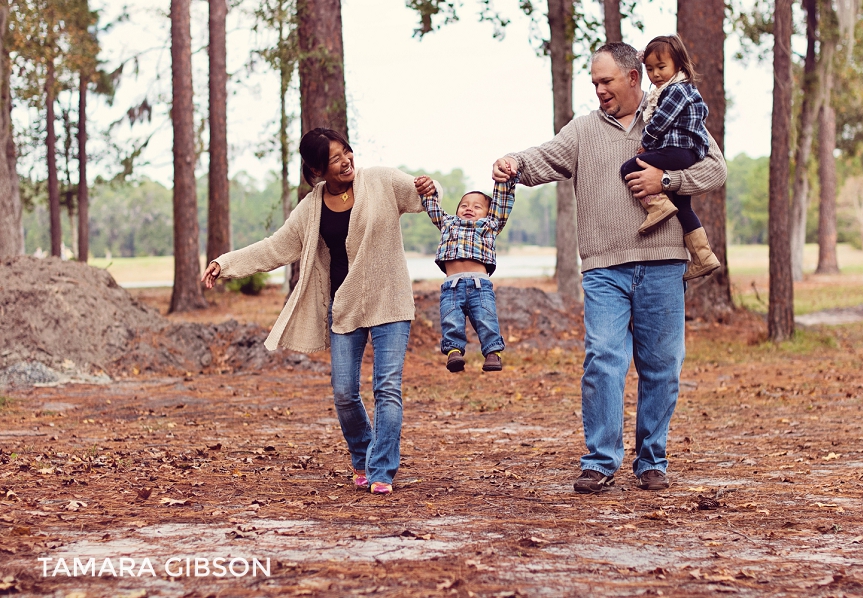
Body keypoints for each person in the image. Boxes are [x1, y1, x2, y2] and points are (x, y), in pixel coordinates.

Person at [491, 42, 726, 493]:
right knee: (603, 360)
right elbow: (543, 157)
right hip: (604, 269)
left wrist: (668, 181)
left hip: (662, 263)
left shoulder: (670, 112)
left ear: (634, 77)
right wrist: (515, 163)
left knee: (662, 366)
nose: (599, 90)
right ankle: (600, 460)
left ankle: (652, 459)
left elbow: (716, 169)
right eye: (594, 83)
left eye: (606, 81)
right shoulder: (582, 130)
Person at [201, 127, 440, 496]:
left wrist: (430, 187)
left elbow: (423, 194)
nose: (346, 161)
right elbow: (274, 247)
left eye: (347, 152)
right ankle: (362, 457)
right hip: (344, 308)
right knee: (344, 392)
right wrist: (224, 264)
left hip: (389, 300)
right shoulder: (311, 207)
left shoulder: (381, 181)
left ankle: (381, 472)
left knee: (387, 388)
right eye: (334, 158)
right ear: (317, 170)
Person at [619, 34, 721, 280]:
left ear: (678, 64)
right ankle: (704, 257)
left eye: (661, 67)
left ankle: (657, 205)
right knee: (684, 207)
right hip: (684, 152)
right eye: (650, 69)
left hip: (679, 151)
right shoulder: (677, 89)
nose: (655, 75)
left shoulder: (676, 91)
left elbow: (660, 123)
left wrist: (647, 143)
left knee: (629, 167)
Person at [419, 177, 517, 373]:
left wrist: (505, 181)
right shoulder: (448, 223)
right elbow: (432, 207)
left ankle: (493, 353)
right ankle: (454, 352)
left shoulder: (489, 225)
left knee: (486, 318)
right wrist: (426, 190)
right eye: (463, 205)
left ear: (488, 213)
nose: (469, 208)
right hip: (451, 287)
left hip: (480, 286)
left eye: (477, 206)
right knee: (450, 319)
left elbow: (503, 201)